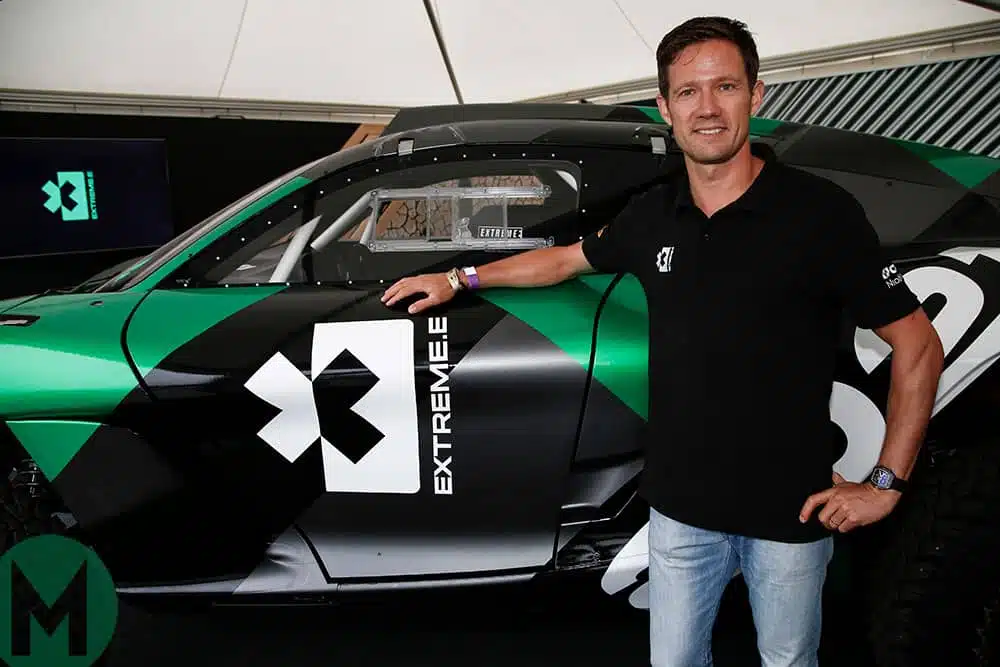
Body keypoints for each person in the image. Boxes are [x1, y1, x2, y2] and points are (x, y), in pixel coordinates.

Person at [381, 16, 944, 667]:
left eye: (725, 86)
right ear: (666, 108)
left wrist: (885, 483)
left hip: (789, 513)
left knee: (789, 662)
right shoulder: (653, 214)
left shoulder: (821, 213)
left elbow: (918, 347)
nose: (707, 108)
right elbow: (563, 260)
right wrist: (459, 277)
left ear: (756, 95)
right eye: (688, 92)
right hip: (680, 513)